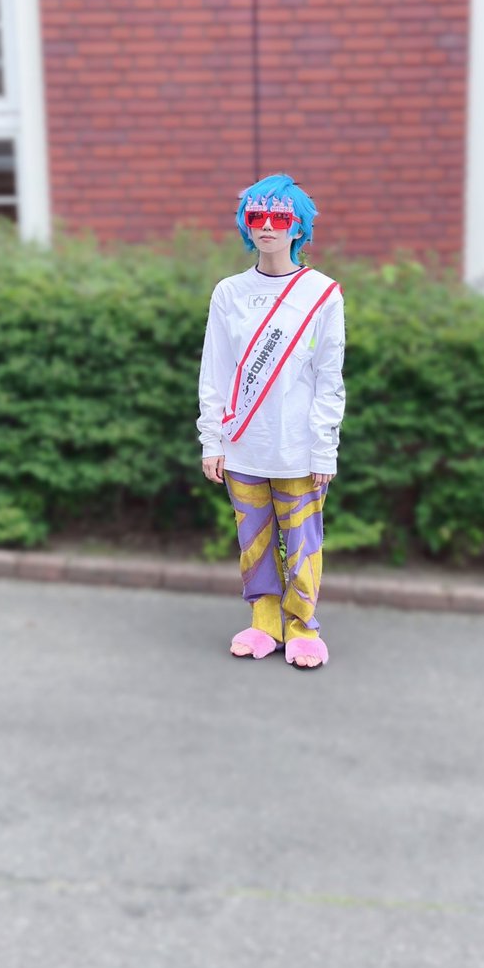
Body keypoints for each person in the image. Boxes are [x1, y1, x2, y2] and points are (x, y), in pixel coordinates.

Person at [197, 173, 346, 670]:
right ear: (246, 223)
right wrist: (212, 440)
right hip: (242, 444)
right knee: (254, 540)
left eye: (279, 218)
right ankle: (264, 622)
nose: (266, 226)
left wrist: (324, 448)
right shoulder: (229, 292)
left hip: (298, 447)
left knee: (303, 540)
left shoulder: (322, 294)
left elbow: (329, 377)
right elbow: (215, 371)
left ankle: (302, 626)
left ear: (298, 226)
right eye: (256, 216)